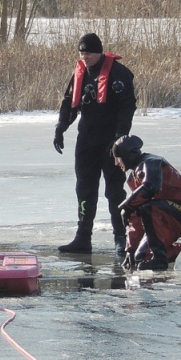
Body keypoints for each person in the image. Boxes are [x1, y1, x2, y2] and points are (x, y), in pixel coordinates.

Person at [54, 33, 137, 255]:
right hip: (87, 141)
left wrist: (121, 136)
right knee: (84, 188)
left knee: (114, 191)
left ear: (99, 52)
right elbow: (68, 103)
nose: (85, 57)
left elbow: (128, 106)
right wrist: (61, 128)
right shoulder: (80, 72)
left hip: (111, 142)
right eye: (82, 54)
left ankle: (121, 238)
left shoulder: (118, 74)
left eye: (88, 53)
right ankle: (83, 238)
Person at [112, 135, 181, 271]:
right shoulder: (133, 179)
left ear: (127, 155)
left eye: (117, 158)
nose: (116, 163)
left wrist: (127, 205)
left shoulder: (151, 162)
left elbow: (151, 187)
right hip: (164, 214)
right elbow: (137, 216)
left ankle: (159, 260)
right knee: (141, 256)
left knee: (149, 206)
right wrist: (130, 249)